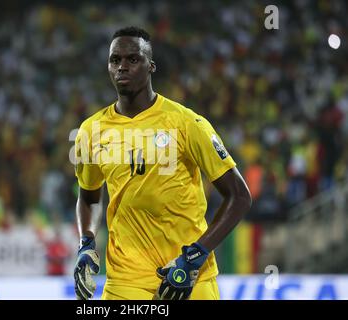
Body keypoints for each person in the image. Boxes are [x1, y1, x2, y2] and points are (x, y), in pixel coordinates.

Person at [73, 26, 252, 300]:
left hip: (190, 275)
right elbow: (90, 198)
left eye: (133, 59)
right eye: (115, 60)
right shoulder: (91, 131)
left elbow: (239, 196)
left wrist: (196, 255)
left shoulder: (186, 123)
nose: (122, 67)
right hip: (126, 279)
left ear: (151, 66)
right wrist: (86, 243)